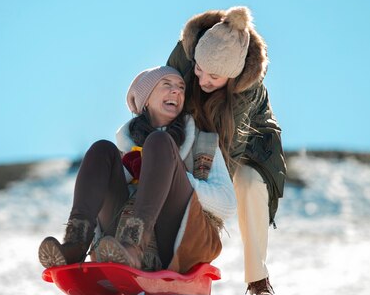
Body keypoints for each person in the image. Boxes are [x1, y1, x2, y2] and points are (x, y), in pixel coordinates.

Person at [38, 66, 236, 274]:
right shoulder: (125, 150)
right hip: (118, 242)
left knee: (160, 142)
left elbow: (227, 205)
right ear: (146, 100)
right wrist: (132, 174)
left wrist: (175, 176)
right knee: (101, 149)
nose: (176, 91)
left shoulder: (202, 142)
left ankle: (135, 246)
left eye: (180, 88)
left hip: (179, 240)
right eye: (166, 85)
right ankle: (75, 244)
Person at [166, 6, 286, 294]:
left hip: (251, 143)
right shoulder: (186, 51)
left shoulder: (247, 89)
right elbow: (162, 91)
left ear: (231, 77)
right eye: (199, 70)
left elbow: (227, 155)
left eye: (214, 77)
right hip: (195, 120)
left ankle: (258, 279)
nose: (203, 80)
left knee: (246, 184)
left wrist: (209, 220)